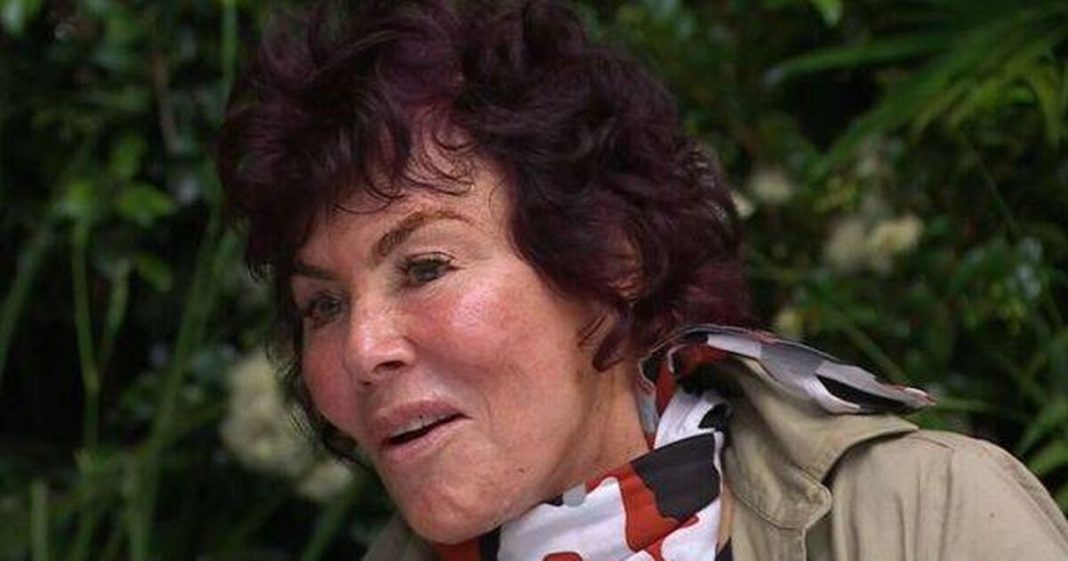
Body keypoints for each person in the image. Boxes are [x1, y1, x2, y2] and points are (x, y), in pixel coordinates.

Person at [216, 0, 1068, 559]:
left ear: (606, 260)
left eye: (426, 267)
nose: (362, 348)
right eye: (322, 304)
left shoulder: (927, 518)